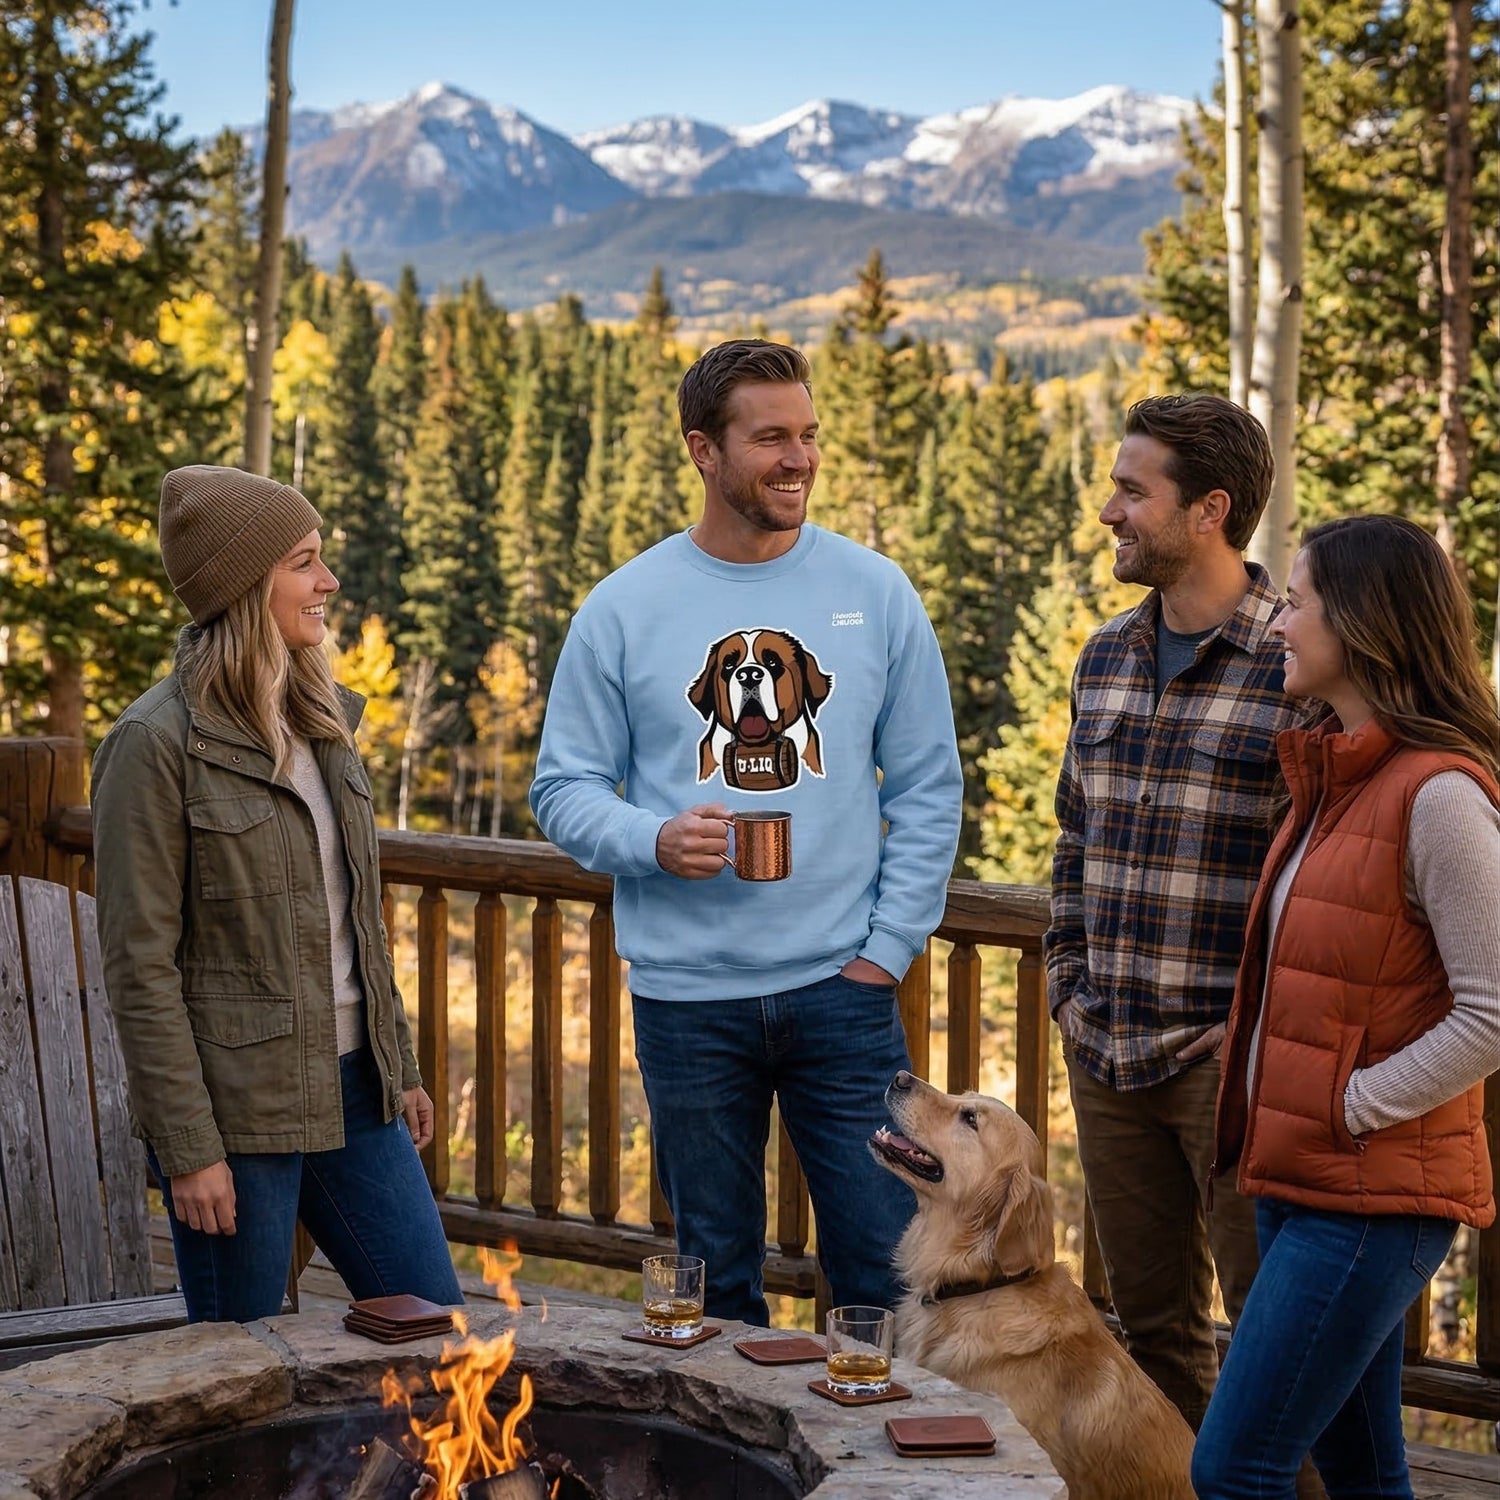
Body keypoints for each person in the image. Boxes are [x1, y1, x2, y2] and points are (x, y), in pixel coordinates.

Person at [530, 339, 962, 1324]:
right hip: (689, 1005)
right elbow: (564, 787)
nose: (799, 458)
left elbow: (931, 786)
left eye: (808, 434)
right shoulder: (626, 608)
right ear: (704, 451)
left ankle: (877, 1473)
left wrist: (884, 953)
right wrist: (652, 839)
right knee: (715, 1280)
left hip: (844, 997)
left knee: (884, 1267)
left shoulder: (875, 592)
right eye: (771, 437)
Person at [92, 465, 463, 1323]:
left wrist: (397, 1064)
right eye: (304, 562)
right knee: (238, 1379)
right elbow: (140, 967)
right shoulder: (153, 746)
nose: (328, 582)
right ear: (245, 585)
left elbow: (355, 924)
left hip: (354, 1091)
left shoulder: (326, 723)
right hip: (237, 1113)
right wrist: (188, 1151)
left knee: (436, 1335)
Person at [1194, 515, 1500, 1498]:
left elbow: (1493, 1010)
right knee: (1363, 1473)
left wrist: (1353, 1104)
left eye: (1295, 600)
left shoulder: (1440, 796)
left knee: (1234, 1467)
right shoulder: (1339, 774)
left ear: (1360, 621)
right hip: (1307, 1182)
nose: (1277, 622)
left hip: (1370, 1194)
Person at [1045, 394, 1300, 1429]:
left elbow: (1321, 879)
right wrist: (1067, 983)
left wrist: (1251, 1031)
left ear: (1209, 510)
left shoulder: (1300, 665)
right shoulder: (1105, 655)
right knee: (1152, 1336)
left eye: (1131, 490)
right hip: (1106, 1056)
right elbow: (1071, 839)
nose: (1109, 510)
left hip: (1232, 1070)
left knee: (1274, 1333)